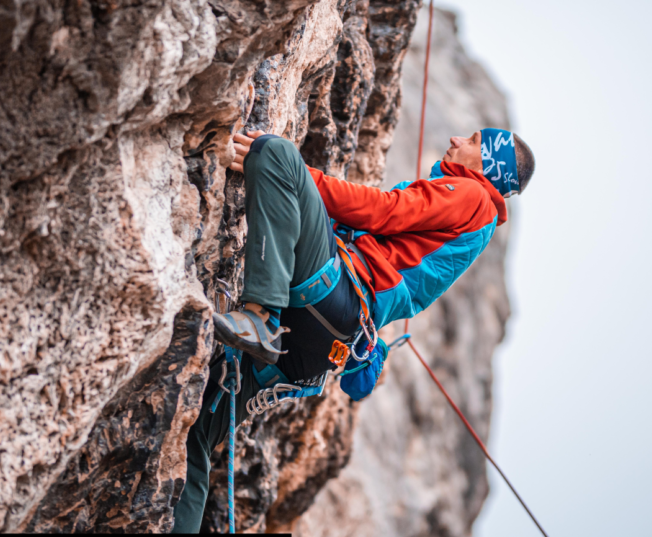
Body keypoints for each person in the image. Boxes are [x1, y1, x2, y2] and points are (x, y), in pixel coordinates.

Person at [171, 127, 535, 533]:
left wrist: (293, 173)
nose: (455, 141)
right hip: (321, 345)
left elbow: (384, 210)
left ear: (489, 164)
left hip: (334, 294)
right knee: (195, 431)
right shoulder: (475, 227)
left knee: (277, 153)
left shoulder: (470, 195)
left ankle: (261, 316)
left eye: (471, 141)